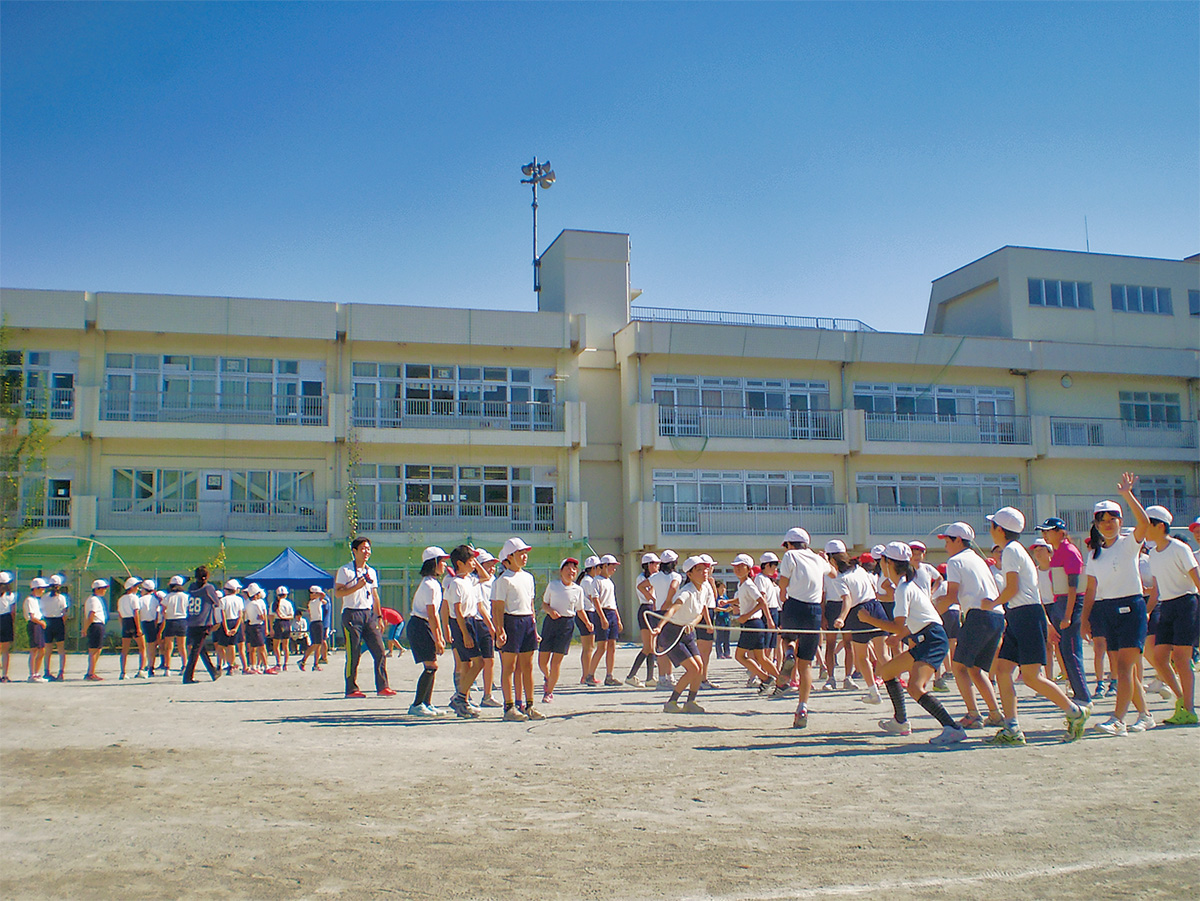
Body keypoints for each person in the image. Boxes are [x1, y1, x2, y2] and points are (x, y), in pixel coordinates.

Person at [983, 507, 1090, 745]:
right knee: (1003, 671)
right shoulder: (1016, 550)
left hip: (1024, 617)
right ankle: (1012, 728)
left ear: (999, 529)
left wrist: (991, 603)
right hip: (1021, 615)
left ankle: (1075, 711)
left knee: (1031, 677)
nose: (990, 530)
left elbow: (1012, 589)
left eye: (992, 526)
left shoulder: (1010, 551)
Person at [858, 543, 968, 746]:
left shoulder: (903, 589)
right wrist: (900, 637)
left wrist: (868, 619)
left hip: (932, 640)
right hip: (927, 637)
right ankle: (900, 721)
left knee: (915, 687)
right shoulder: (907, 587)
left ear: (888, 563)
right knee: (887, 672)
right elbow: (921, 619)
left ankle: (952, 728)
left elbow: (898, 625)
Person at [1081, 475, 1154, 735]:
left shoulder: (1129, 544)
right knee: (1125, 671)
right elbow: (1091, 589)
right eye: (1103, 520)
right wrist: (1085, 620)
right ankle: (1145, 715)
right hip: (1107, 610)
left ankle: (1118, 719)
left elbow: (1144, 523)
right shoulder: (1094, 554)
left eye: (1113, 519)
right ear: (1096, 525)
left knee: (1123, 669)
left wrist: (1127, 494)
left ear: (1120, 522)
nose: (1109, 524)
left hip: (1132, 609)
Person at [1129, 500, 1200, 725]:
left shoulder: (1180, 548)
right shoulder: (1154, 554)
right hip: (1167, 606)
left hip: (1187, 603)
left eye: (1147, 524)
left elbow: (1196, 579)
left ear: (1160, 526)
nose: (1143, 528)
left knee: (1181, 658)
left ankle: (1188, 709)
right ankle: (1182, 702)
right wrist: (1145, 612)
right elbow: (1157, 590)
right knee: (1159, 657)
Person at [937, 522, 1004, 730]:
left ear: (958, 540)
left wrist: (931, 613)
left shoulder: (955, 561)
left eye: (948, 541)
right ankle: (994, 713)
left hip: (978, 616)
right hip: (996, 616)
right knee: (976, 669)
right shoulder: (979, 560)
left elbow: (951, 596)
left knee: (959, 666)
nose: (946, 545)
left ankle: (973, 714)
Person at [777, 527, 833, 729]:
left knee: (788, 636)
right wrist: (825, 559)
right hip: (814, 610)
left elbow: (783, 581)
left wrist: (782, 594)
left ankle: (790, 651)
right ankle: (802, 707)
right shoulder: (817, 559)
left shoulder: (790, 555)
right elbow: (833, 573)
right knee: (806, 665)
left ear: (789, 544)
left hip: (794, 604)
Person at [1035, 517, 1092, 707]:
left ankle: (1083, 696)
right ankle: (1078, 693)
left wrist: (1068, 615)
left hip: (1070, 602)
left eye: (1048, 531)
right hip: (1061, 601)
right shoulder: (1060, 552)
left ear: (1060, 532)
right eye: (1044, 531)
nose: (1045, 534)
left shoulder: (1069, 551)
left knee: (1072, 651)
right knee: (1065, 651)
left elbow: (1074, 585)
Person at [651, 556, 713, 714]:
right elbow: (672, 609)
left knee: (699, 667)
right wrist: (659, 627)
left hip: (688, 632)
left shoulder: (705, 588)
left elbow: (700, 612)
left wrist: (694, 623)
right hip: (673, 634)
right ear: (690, 574)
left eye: (705, 568)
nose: (704, 572)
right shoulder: (686, 591)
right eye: (699, 570)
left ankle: (690, 702)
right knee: (692, 669)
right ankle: (671, 702)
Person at [336, 537, 396, 699]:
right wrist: (356, 587)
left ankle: (383, 686)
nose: (366, 552)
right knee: (354, 653)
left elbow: (375, 595)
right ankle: (351, 688)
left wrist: (379, 616)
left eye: (368, 548)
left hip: (368, 614)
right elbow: (338, 592)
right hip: (351, 614)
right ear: (354, 551)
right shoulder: (345, 570)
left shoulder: (371, 571)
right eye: (362, 549)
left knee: (380, 651)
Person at [492, 537, 544, 721]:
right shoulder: (503, 580)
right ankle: (509, 707)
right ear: (509, 557)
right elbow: (497, 607)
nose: (524, 557)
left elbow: (530, 604)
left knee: (528, 666)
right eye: (520, 553)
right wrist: (500, 630)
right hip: (510, 621)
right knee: (509, 666)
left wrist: (534, 628)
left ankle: (529, 705)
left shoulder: (528, 577)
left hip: (526, 622)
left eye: (525, 553)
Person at [830, 547, 888, 706]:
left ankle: (873, 692)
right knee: (883, 654)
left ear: (834, 562)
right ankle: (895, 682)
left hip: (858, 613)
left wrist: (841, 618)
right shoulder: (860, 570)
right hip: (876, 607)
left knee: (862, 657)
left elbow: (847, 599)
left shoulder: (839, 579)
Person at [406, 547, 450, 717]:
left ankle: (426, 703)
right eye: (442, 562)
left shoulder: (433, 583)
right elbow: (432, 614)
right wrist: (438, 638)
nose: (445, 565)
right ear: (434, 563)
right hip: (420, 626)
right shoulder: (429, 585)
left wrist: (438, 636)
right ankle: (417, 704)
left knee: (432, 666)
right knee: (431, 665)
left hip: (424, 625)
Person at [538, 557, 589, 703]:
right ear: (561, 571)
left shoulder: (578, 589)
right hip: (551, 623)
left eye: (574, 569)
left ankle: (549, 692)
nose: (571, 571)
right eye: (568, 568)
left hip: (566, 625)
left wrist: (588, 623)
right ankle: (548, 677)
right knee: (542, 661)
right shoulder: (553, 585)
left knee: (556, 661)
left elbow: (580, 610)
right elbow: (544, 604)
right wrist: (551, 611)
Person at [445, 544, 487, 717]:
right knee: (479, 662)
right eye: (470, 560)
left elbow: (485, 577)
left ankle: (463, 701)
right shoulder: (455, 583)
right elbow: (457, 611)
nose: (473, 563)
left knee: (467, 664)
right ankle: (460, 697)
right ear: (460, 563)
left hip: (471, 621)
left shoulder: (469, 579)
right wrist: (465, 633)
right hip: (462, 623)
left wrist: (476, 563)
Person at [730, 554, 777, 690]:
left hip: (753, 623)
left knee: (739, 656)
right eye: (735, 566)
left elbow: (762, 601)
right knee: (761, 657)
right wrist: (728, 603)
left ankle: (765, 678)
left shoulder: (749, 584)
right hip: (753, 624)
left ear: (748, 568)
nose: (737, 569)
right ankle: (781, 680)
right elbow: (744, 600)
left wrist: (746, 616)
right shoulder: (743, 584)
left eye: (741, 566)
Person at [648, 550, 682, 689]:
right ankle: (666, 678)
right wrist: (668, 601)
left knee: (661, 647)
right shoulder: (676, 576)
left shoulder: (655, 577)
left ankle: (664, 677)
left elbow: (641, 586)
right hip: (670, 612)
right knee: (668, 646)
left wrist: (653, 598)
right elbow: (673, 587)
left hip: (657, 612)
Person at [587, 554, 623, 687]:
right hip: (602, 612)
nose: (614, 569)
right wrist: (602, 617)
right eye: (613, 566)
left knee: (612, 645)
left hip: (611, 612)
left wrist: (618, 619)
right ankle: (590, 674)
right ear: (605, 566)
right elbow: (595, 600)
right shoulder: (596, 581)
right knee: (602, 646)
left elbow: (613, 602)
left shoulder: (610, 582)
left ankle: (610, 675)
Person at [625, 553, 660, 687]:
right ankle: (631, 676)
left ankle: (650, 678)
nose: (657, 566)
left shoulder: (655, 578)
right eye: (655, 564)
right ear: (648, 565)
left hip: (653, 610)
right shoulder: (641, 578)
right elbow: (648, 595)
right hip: (646, 609)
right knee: (648, 646)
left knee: (653, 647)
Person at [182, 566, 222, 683]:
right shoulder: (208, 588)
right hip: (203, 622)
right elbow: (217, 602)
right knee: (195, 650)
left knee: (200, 648)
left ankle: (213, 672)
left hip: (192, 621)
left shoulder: (192, 587)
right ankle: (188, 676)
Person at [473, 550, 502, 708]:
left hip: (489, 621)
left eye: (493, 565)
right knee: (473, 661)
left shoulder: (494, 581)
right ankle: (465, 694)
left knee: (489, 660)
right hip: (477, 621)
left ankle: (487, 695)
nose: (492, 568)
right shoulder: (474, 581)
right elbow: (480, 606)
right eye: (488, 565)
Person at [576, 556, 601, 686]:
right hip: (587, 613)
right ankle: (587, 675)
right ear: (593, 568)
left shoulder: (586, 580)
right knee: (588, 648)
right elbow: (593, 598)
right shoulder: (588, 581)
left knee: (588, 647)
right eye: (599, 567)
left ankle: (587, 675)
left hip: (587, 613)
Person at [117, 576, 145, 680]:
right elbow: (136, 613)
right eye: (137, 586)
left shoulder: (120, 599)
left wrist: (122, 627)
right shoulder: (134, 598)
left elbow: (119, 614)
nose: (138, 589)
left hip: (125, 622)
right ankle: (141, 670)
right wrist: (138, 628)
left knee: (125, 649)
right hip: (133, 622)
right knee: (142, 647)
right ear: (132, 587)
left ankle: (123, 672)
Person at [42, 574, 69, 681]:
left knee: (48, 648)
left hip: (47, 621)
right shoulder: (62, 598)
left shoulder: (44, 597)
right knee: (61, 649)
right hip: (58, 621)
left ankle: (46, 671)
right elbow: (65, 613)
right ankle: (61, 672)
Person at [160, 577, 189, 675]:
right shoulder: (186, 596)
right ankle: (185, 666)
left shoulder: (168, 596)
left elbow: (163, 610)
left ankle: (167, 668)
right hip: (182, 620)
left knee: (169, 646)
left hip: (170, 621)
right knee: (182, 646)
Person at [218, 581, 248, 675]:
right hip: (236, 622)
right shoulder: (239, 599)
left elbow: (223, 615)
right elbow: (240, 615)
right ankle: (231, 665)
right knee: (232, 646)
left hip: (226, 622)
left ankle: (220, 664)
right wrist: (236, 627)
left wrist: (226, 628)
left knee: (221, 646)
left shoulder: (223, 600)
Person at [83, 579, 108, 681]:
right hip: (95, 625)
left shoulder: (96, 599)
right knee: (94, 650)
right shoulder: (93, 600)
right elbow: (91, 615)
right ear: (97, 589)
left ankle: (92, 671)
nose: (105, 591)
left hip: (98, 624)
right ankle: (90, 673)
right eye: (103, 589)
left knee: (98, 649)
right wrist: (85, 628)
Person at [24, 577, 49, 681]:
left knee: (42, 649)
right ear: (35, 588)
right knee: (34, 649)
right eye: (41, 589)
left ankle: (37, 673)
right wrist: (41, 622)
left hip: (38, 624)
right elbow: (32, 617)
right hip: (34, 624)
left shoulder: (37, 600)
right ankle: (32, 674)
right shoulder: (29, 600)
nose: (43, 591)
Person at [243, 584, 270, 673]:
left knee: (252, 648)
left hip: (251, 625)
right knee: (261, 647)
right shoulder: (256, 604)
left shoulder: (248, 604)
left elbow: (245, 617)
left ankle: (253, 665)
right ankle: (266, 666)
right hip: (258, 626)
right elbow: (262, 616)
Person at [300, 587, 328, 672]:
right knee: (316, 644)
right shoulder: (316, 601)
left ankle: (311, 662)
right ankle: (306, 661)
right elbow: (323, 596)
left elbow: (324, 601)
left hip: (314, 623)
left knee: (317, 644)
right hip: (318, 623)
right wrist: (319, 594)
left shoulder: (311, 603)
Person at [271, 586, 294, 671]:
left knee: (276, 645)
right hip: (286, 623)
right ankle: (286, 664)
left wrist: (271, 628)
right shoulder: (288, 603)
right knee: (286, 645)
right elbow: (292, 615)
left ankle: (278, 663)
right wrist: (286, 617)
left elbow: (271, 616)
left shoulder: (274, 603)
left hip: (278, 623)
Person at [0, 571, 15, 682]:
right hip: (6, 619)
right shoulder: (11, 595)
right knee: (5, 650)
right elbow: (13, 612)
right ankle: (5, 675)